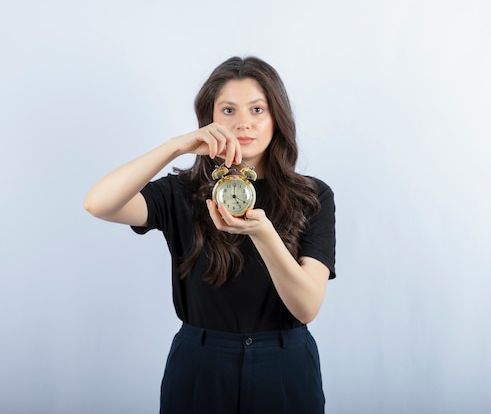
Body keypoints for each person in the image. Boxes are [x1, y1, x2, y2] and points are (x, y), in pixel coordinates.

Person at [83, 56, 336, 414]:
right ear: (210, 118)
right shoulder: (182, 193)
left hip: (284, 362)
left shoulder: (311, 197)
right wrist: (176, 146)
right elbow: (98, 203)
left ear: (276, 117)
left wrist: (263, 234)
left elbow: (307, 307)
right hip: (202, 363)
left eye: (257, 109)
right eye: (228, 110)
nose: (243, 122)